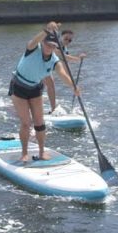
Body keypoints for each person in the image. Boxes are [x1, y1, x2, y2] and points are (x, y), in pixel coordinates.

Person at [9, 22, 80, 163]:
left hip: (35, 89)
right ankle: (24, 153)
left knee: (40, 123)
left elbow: (63, 74)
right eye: (47, 44)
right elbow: (34, 40)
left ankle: (42, 152)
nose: (49, 48)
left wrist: (74, 87)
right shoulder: (33, 48)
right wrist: (47, 30)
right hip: (19, 87)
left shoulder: (54, 60)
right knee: (26, 123)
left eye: (53, 46)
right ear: (43, 42)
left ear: (56, 47)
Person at [43, 29, 86, 114]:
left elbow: (64, 65)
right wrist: (78, 58)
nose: (67, 41)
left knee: (50, 84)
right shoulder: (54, 45)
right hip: (41, 64)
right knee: (49, 84)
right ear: (60, 37)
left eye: (70, 40)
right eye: (66, 38)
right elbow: (63, 56)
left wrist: (72, 84)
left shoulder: (65, 48)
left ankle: (52, 108)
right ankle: (52, 108)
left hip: (49, 66)